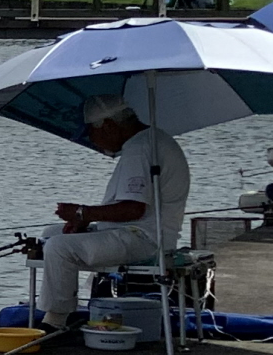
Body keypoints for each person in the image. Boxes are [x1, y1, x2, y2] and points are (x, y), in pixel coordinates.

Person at [21, 96, 190, 322]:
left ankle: (56, 319)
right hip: (138, 233)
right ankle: (61, 306)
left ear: (109, 126)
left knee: (59, 247)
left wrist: (83, 213)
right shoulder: (151, 140)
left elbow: (134, 210)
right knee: (51, 234)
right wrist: (85, 220)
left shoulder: (139, 150)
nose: (92, 140)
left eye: (91, 133)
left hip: (144, 239)